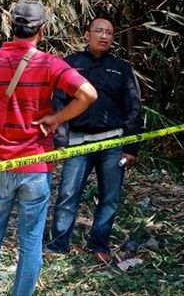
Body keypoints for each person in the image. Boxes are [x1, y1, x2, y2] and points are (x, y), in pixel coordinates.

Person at [0, 0, 98, 296]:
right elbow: (88, 94)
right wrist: (56, 118)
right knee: (30, 241)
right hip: (36, 165)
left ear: (11, 26)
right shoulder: (49, 63)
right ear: (42, 29)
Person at [46, 17, 143, 264]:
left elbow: (133, 108)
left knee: (109, 197)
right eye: (99, 31)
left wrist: (131, 147)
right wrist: (61, 141)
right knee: (68, 194)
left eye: (109, 32)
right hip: (78, 142)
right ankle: (59, 244)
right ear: (87, 34)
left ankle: (99, 244)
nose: (104, 36)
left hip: (112, 143)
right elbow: (59, 101)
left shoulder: (121, 68)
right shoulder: (71, 64)